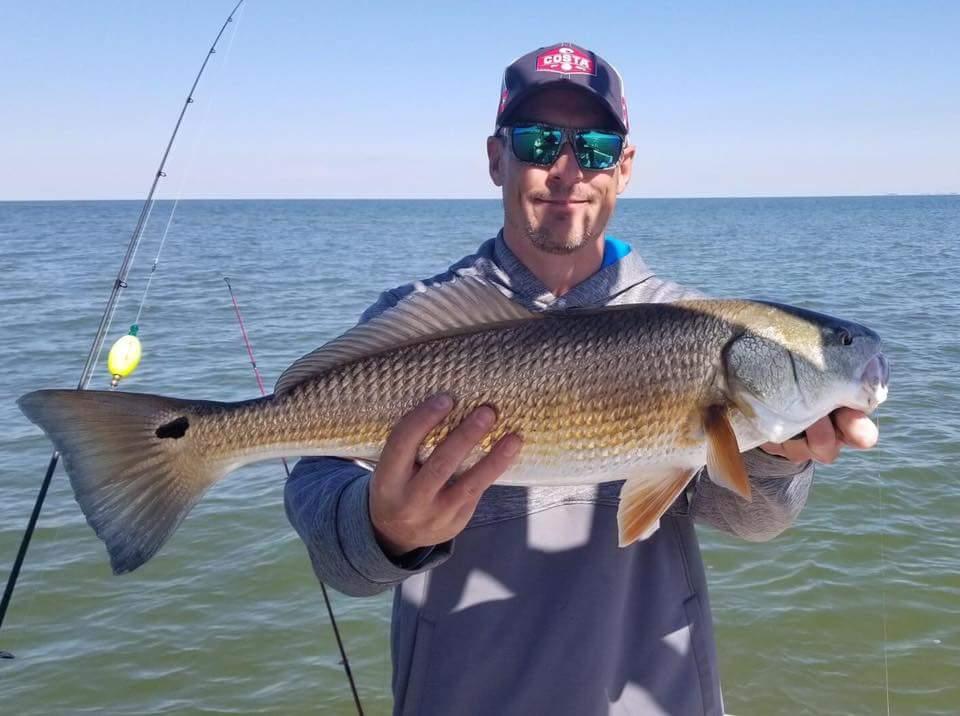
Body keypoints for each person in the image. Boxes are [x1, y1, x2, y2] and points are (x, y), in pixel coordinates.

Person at [285, 43, 879, 716]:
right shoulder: (415, 324)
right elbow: (329, 532)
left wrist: (774, 459)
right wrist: (381, 528)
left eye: (595, 148)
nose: (568, 170)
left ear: (624, 167)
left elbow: (750, 519)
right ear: (494, 157)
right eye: (541, 142)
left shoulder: (686, 323)